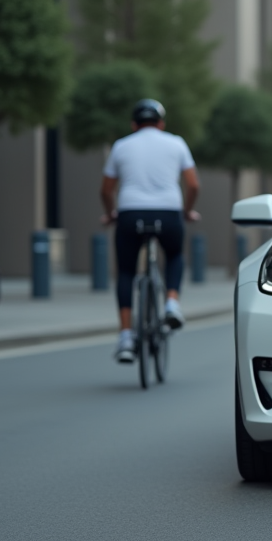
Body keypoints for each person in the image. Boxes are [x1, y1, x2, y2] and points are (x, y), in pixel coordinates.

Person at [100, 99, 201, 364]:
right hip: (168, 212)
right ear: (161, 124)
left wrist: (111, 213)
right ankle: (171, 303)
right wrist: (187, 211)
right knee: (175, 255)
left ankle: (125, 337)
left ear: (134, 125)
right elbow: (193, 185)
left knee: (126, 271)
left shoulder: (121, 146)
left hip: (130, 212)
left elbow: (106, 190)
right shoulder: (177, 143)